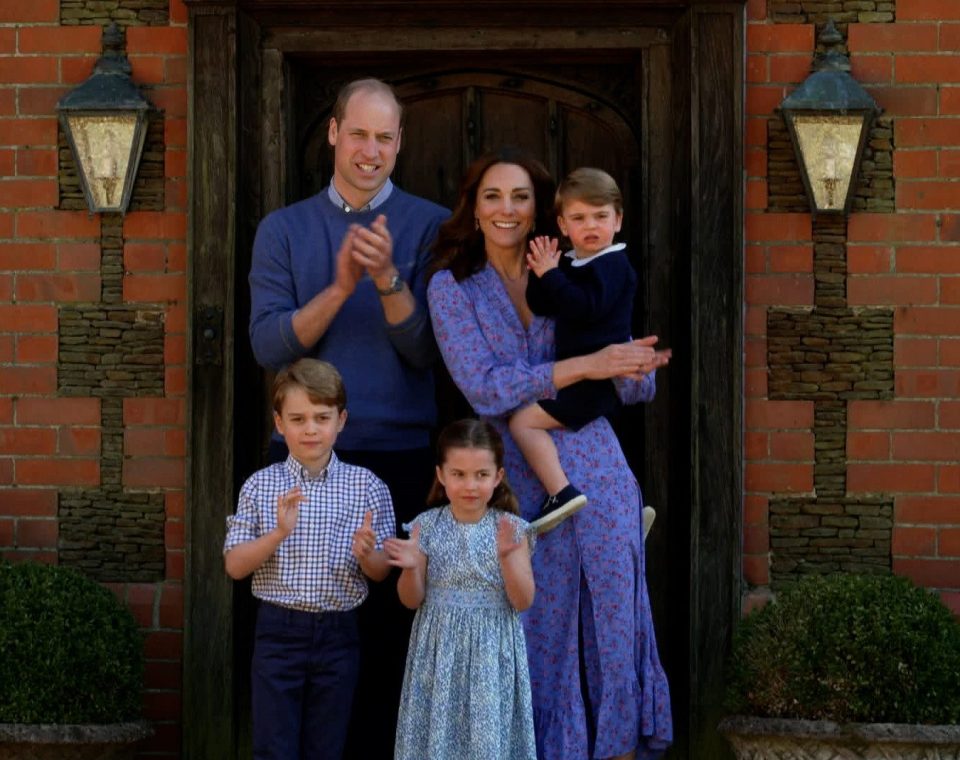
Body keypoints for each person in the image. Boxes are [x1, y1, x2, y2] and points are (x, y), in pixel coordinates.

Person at [427, 147, 673, 760]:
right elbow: (484, 385)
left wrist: (634, 366)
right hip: (513, 475)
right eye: (493, 196)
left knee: (615, 624)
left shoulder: (576, 265)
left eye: (520, 197)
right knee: (535, 629)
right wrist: (587, 365)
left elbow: (627, 376)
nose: (507, 209)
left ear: (543, 211)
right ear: (474, 209)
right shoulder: (451, 286)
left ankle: (619, 748)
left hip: (597, 461)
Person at [247, 77, 449, 757]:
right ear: (333, 133)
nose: (370, 150)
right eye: (357, 133)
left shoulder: (432, 225)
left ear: (400, 143)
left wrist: (389, 278)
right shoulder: (284, 229)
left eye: (384, 137)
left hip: (398, 455)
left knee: (388, 639)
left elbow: (427, 352)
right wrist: (338, 287)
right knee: (302, 634)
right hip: (304, 458)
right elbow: (269, 345)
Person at [222, 358, 395, 760]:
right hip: (278, 632)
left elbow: (382, 572)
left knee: (327, 746)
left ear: (342, 420)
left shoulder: (366, 486)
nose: (311, 429)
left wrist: (368, 555)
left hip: (339, 633)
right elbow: (234, 565)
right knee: (273, 747)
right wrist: (279, 533)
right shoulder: (260, 485)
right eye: (298, 419)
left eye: (322, 417)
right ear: (279, 423)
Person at [384, 419, 537, 760]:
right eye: (459, 474)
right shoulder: (426, 526)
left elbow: (523, 600)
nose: (470, 485)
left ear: (498, 477)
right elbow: (411, 600)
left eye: (482, 475)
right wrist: (410, 568)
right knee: (439, 738)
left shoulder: (512, 529)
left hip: (491, 653)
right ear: (441, 474)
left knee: (486, 740)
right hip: (439, 653)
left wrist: (509, 559)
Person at [511, 167, 642, 533]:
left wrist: (553, 275)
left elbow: (585, 308)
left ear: (618, 220)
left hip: (595, 381)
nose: (591, 226)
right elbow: (543, 304)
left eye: (601, 216)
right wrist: (541, 270)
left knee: (523, 422)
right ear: (563, 225)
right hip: (577, 376)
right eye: (579, 218)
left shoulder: (614, 265)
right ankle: (623, 514)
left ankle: (561, 492)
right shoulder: (573, 262)